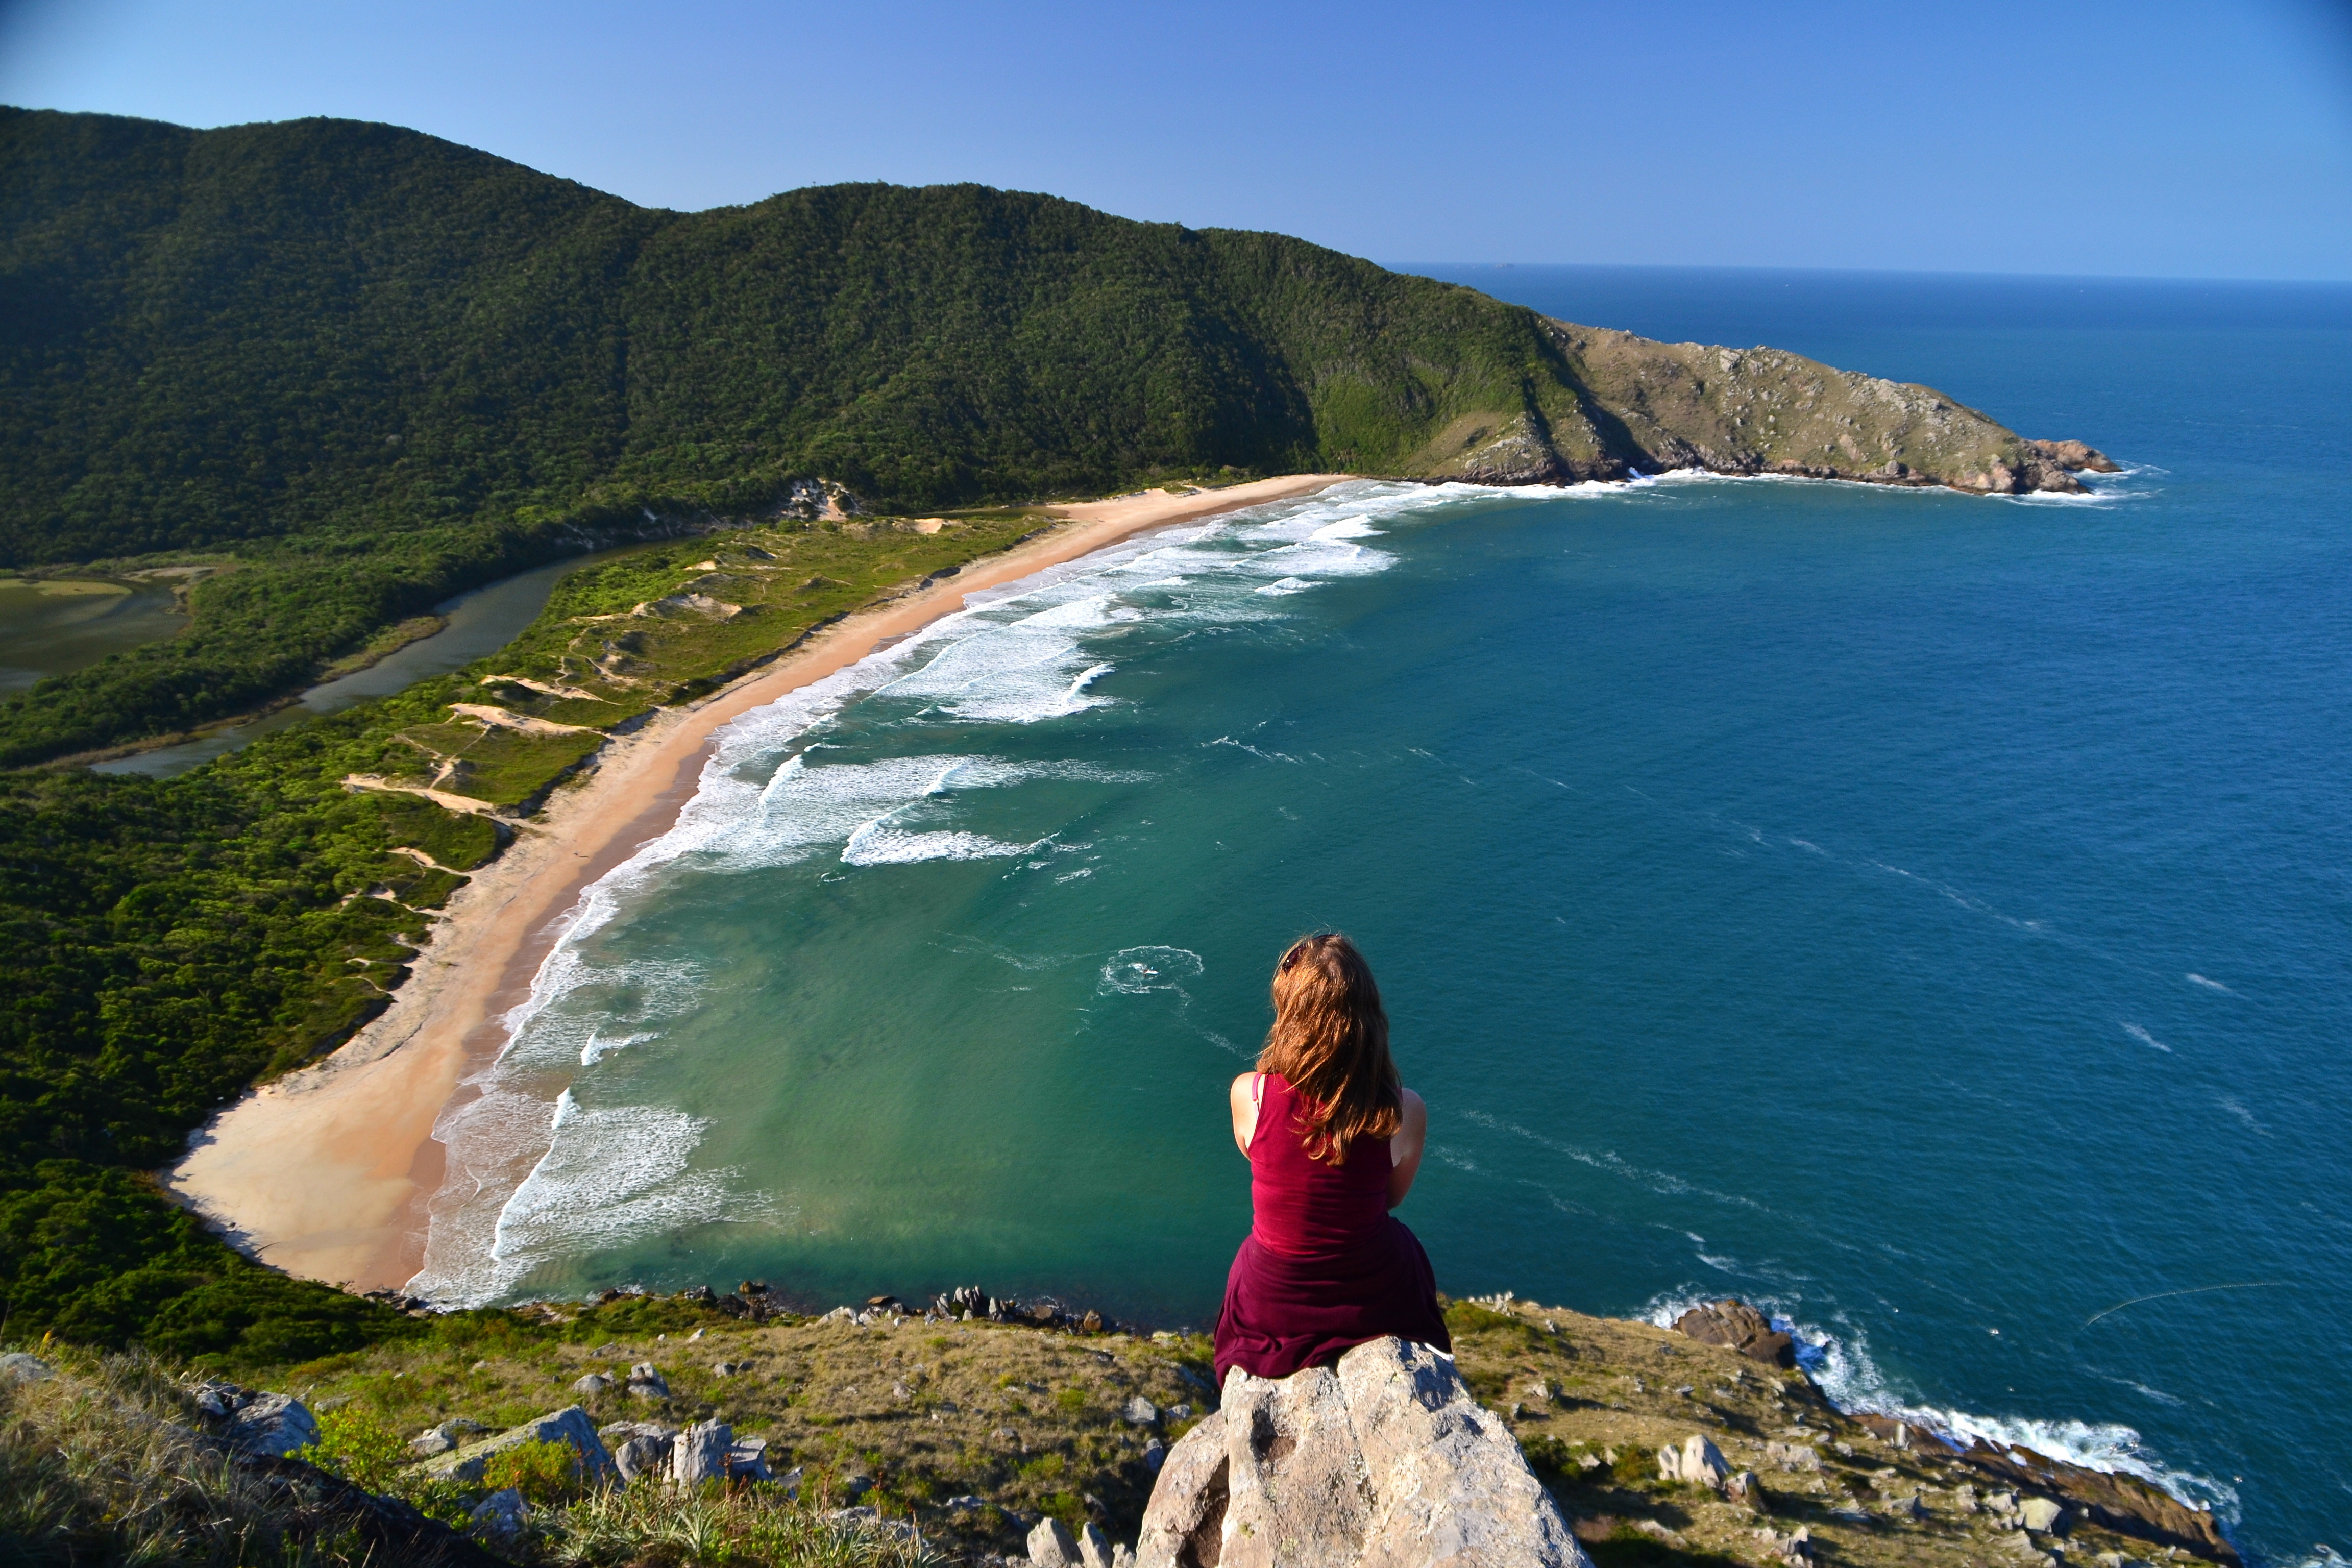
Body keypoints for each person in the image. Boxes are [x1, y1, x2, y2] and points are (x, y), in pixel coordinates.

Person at [1212, 932, 1451, 1387]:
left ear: (1289, 1016)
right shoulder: (1404, 1111)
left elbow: (1258, 1159)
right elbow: (1391, 1199)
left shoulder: (1251, 1094)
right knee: (1408, 1250)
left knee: (1249, 1259)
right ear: (1369, 1017)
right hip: (1372, 1293)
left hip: (1273, 1296)